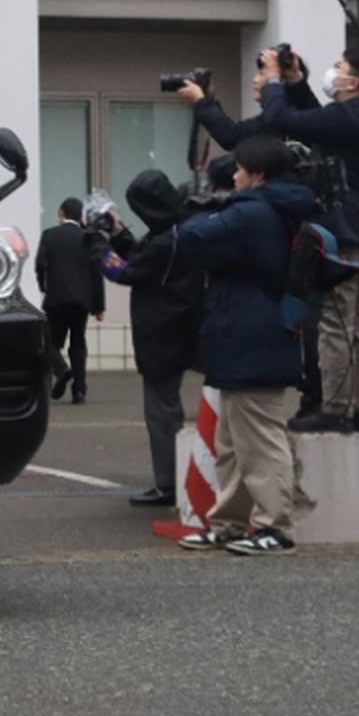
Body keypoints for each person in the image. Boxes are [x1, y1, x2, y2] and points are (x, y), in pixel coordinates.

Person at [174, 133, 318, 555]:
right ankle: (230, 523)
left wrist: (202, 206)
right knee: (234, 441)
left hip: (253, 335)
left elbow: (193, 237)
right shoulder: (276, 208)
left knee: (260, 440)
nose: (233, 175)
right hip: (253, 332)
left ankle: (276, 526)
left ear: (258, 174)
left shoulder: (253, 212)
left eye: (239, 168)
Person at [254, 45, 359, 438]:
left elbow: (281, 119)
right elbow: (316, 121)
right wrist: (296, 82)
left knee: (336, 322)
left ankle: (335, 408)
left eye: (339, 66)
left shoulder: (347, 117)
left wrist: (273, 80)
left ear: (353, 82)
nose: (333, 70)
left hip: (344, 233)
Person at [100, 172, 205, 508]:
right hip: (179, 327)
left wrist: (97, 247)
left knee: (161, 413)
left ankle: (169, 483)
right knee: (167, 409)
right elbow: (141, 259)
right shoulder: (175, 230)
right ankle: (175, 480)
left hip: (164, 333)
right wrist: (118, 235)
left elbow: (127, 272)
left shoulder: (166, 240)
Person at [36, 198, 105, 404]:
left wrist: (44, 287)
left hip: (56, 298)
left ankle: (61, 370)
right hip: (81, 301)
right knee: (78, 343)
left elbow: (40, 264)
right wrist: (99, 306)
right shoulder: (88, 238)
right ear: (81, 216)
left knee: (50, 342)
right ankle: (79, 391)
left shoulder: (50, 235)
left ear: (61, 213)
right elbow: (97, 273)